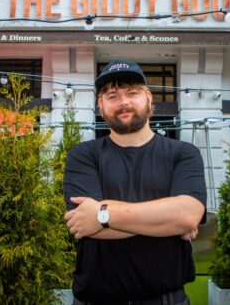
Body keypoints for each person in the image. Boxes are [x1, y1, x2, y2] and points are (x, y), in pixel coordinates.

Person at [63, 59, 207, 304]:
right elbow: (83, 223)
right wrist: (166, 220)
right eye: (112, 96)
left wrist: (101, 213)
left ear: (149, 98)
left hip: (166, 299)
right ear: (100, 105)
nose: (124, 102)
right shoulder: (83, 155)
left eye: (132, 93)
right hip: (96, 298)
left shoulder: (183, 153)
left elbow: (187, 216)